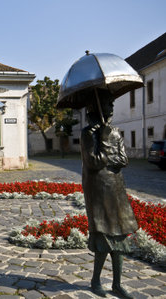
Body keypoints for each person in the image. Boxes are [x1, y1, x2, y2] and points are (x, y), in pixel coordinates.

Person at [81, 89, 138, 299]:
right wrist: (104, 142)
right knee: (103, 237)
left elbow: (123, 160)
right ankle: (96, 281)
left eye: (113, 105)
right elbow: (94, 163)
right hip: (97, 189)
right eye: (108, 104)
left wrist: (107, 154)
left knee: (119, 237)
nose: (112, 108)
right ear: (98, 108)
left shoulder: (114, 131)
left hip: (116, 187)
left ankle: (117, 284)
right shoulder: (88, 133)